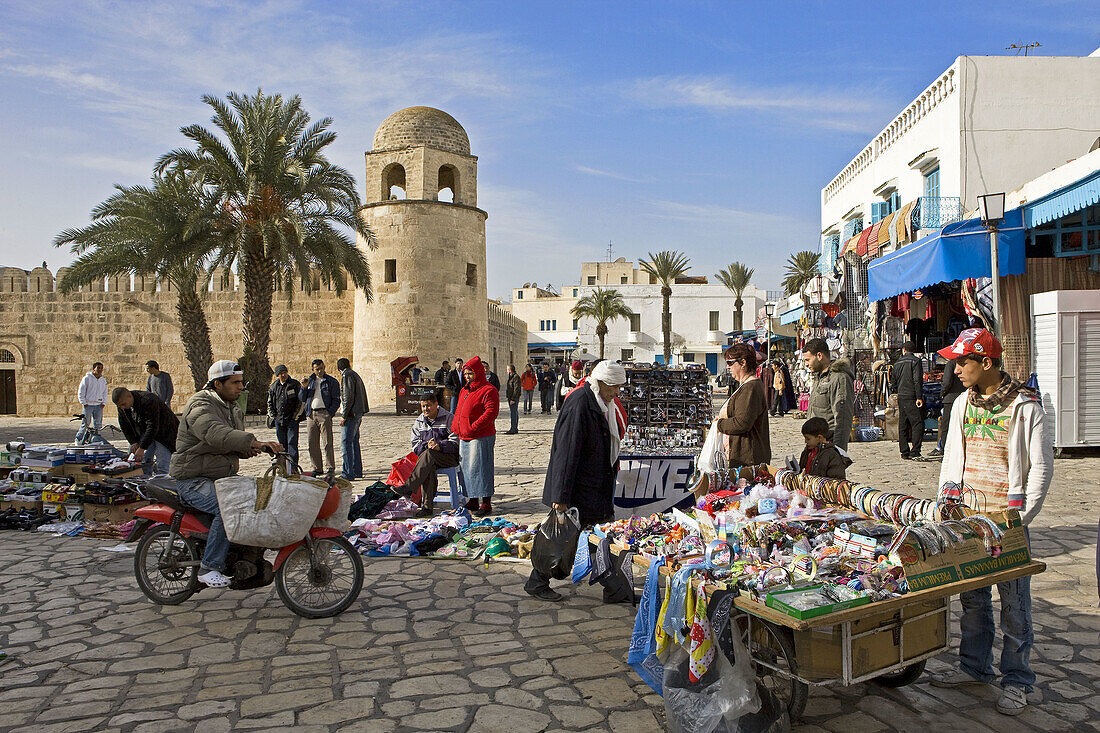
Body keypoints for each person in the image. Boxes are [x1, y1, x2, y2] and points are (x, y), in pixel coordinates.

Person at [930, 328, 1053, 716]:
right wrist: (945, 506)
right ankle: (974, 667)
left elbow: (1041, 468)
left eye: (962, 361)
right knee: (972, 598)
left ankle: (1018, 680)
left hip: (1008, 521)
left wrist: (1019, 518)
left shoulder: (1026, 407)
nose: (955, 369)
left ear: (986, 363)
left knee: (1015, 605)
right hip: (969, 518)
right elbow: (951, 457)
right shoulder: (963, 404)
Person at [169, 360, 283, 588]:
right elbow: (215, 434)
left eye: (242, 382)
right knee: (227, 507)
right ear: (217, 384)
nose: (241, 387)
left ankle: (245, 557)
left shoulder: (232, 408)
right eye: (235, 382)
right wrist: (254, 441)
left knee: (258, 496)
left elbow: (229, 442)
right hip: (193, 480)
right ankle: (209, 566)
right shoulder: (199, 405)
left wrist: (250, 449)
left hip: (221, 477)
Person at [525, 360, 628, 602]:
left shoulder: (602, 403)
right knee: (565, 539)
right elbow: (566, 452)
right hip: (579, 488)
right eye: (614, 387)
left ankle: (613, 587)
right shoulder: (581, 403)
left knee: (595, 538)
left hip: (593, 485)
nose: (617, 392)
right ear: (601, 382)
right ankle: (537, 580)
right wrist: (560, 497)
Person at [394, 393, 461, 515]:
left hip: (448, 457)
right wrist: (427, 446)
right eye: (423, 406)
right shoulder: (419, 421)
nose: (426, 409)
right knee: (428, 463)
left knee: (429, 456)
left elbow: (456, 442)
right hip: (428, 458)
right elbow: (415, 445)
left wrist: (439, 446)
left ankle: (409, 487)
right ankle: (427, 507)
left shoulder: (448, 418)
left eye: (429, 406)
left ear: (436, 404)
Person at [452, 356, 498, 517]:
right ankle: (472, 498)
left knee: (482, 468)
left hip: (481, 435)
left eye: (470, 373)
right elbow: (459, 410)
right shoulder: (465, 390)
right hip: (465, 435)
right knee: (467, 469)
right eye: (465, 374)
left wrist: (473, 427)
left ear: (477, 373)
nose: (467, 376)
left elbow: (491, 412)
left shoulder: (488, 390)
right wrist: (456, 427)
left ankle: (486, 501)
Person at [716, 343, 771, 467]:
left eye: (730, 363)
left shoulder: (750, 388)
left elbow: (742, 423)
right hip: (743, 455)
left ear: (743, 363)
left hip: (748, 458)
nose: (727, 367)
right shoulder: (747, 385)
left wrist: (718, 425)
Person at [112, 387, 179, 475]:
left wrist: (142, 448)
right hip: (147, 432)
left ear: (129, 396)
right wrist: (133, 442)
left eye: (123, 404)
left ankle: (163, 483)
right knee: (141, 461)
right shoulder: (123, 407)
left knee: (163, 463)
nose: (122, 408)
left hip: (165, 433)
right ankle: (144, 482)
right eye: (120, 406)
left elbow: (153, 426)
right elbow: (125, 426)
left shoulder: (148, 400)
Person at [803, 338, 855, 452]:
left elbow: (843, 418)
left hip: (829, 445)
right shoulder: (820, 377)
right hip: (815, 445)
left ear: (819, 356)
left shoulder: (839, 378)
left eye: (807, 360)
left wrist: (838, 452)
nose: (806, 364)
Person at [299, 359, 340, 482]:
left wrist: (330, 413)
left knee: (327, 442)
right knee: (312, 443)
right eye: (317, 369)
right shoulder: (310, 381)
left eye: (321, 368)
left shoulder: (330, 381)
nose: (319, 371)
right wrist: (303, 388)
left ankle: (330, 467)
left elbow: (336, 399)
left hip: (324, 413)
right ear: (313, 370)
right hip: (311, 414)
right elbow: (302, 398)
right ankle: (317, 467)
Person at [890, 342, 925, 460]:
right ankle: (915, 450)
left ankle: (904, 451)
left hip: (901, 395)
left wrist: (896, 391)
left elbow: (893, 381)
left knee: (903, 423)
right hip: (912, 395)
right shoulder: (916, 361)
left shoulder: (897, 363)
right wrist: (919, 396)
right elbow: (917, 380)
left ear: (903, 350)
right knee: (917, 423)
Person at [336, 358, 368, 480]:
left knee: (346, 443)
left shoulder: (346, 376)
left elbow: (348, 396)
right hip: (357, 413)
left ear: (339, 369)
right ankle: (356, 470)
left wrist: (344, 415)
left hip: (351, 415)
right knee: (354, 442)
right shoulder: (355, 374)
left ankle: (348, 472)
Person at [266, 365, 303, 469]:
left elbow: (300, 402)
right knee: (282, 446)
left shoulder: (294, 385)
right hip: (279, 420)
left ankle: (293, 468)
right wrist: (274, 416)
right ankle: (284, 468)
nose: (283, 375)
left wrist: (295, 417)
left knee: (292, 445)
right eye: (281, 373)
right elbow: (270, 403)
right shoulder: (274, 387)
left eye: (284, 373)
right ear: (277, 375)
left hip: (292, 420)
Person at [929, 358, 964, 460]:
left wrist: (942, 393)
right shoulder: (965, 362)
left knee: (946, 426)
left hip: (951, 398)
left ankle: (945, 450)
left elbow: (947, 382)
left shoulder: (952, 363)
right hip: (962, 396)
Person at [76, 362, 108, 443]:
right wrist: (84, 402)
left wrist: (104, 402)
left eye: (101, 368)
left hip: (98, 405)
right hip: (88, 405)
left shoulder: (103, 380)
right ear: (94, 369)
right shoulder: (87, 378)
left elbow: (105, 392)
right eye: (98, 368)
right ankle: (79, 439)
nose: (100, 370)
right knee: (86, 424)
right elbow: (81, 391)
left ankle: (96, 439)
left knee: (98, 424)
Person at [504, 365, 521, 435]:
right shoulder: (511, 377)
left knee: (513, 413)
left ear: (510, 370)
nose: (507, 371)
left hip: (513, 398)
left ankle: (513, 428)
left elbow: (516, 389)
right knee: (514, 412)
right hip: (510, 397)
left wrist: (513, 399)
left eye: (507, 369)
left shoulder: (515, 377)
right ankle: (514, 428)